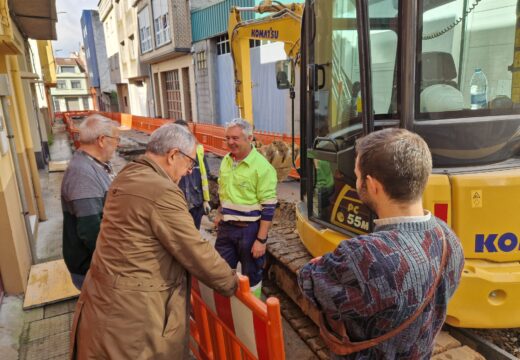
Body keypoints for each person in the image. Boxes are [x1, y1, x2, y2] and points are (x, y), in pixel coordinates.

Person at [70, 123, 238, 360]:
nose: (190, 171)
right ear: (172, 155)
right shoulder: (162, 191)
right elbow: (194, 249)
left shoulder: (127, 175)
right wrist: (231, 282)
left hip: (103, 304)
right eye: (190, 163)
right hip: (133, 320)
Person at [297, 128, 464, 359]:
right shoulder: (449, 239)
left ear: (372, 185)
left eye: (357, 175)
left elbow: (308, 281)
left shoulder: (364, 255)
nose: (356, 182)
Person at [214, 118, 277, 298]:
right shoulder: (226, 161)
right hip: (226, 228)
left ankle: (252, 314)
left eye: (235, 138)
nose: (230, 142)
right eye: (228, 138)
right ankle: (228, 309)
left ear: (249, 138)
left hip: (249, 231)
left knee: (252, 276)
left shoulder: (262, 167)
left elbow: (269, 208)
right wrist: (219, 213)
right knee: (222, 272)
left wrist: (261, 240)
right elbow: (222, 191)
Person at [61, 114, 120, 290]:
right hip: (93, 269)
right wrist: (118, 265)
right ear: (102, 140)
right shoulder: (82, 175)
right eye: (117, 139)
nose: (119, 144)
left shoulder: (93, 164)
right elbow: (90, 230)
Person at [175, 119, 212, 229]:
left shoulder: (198, 151)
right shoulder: (170, 154)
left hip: (196, 203)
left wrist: (205, 201)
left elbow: (205, 175)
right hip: (178, 205)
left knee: (194, 235)